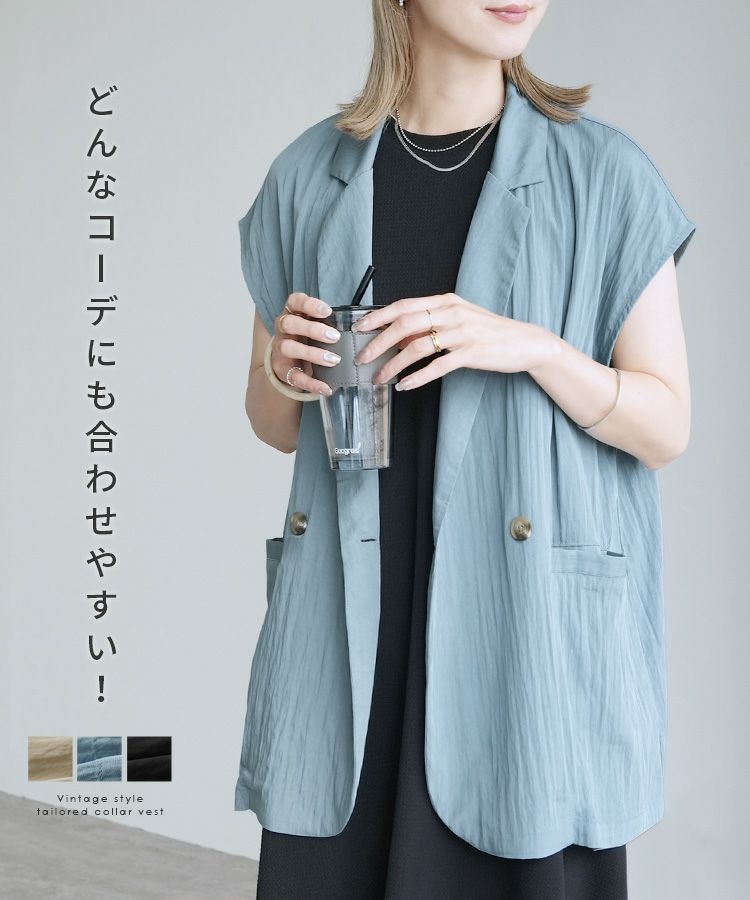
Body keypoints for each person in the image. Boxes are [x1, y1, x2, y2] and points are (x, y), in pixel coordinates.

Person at [234, 1, 697, 898]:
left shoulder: (605, 175)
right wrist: (285, 375)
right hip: (353, 624)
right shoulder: (307, 176)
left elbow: (666, 423)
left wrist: (537, 350)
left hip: (519, 637)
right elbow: (271, 417)